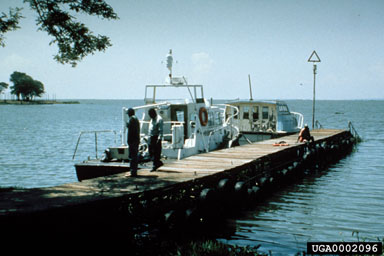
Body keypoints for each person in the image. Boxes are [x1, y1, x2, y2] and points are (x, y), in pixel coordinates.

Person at [126, 108, 140, 177]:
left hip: (132, 141)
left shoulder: (131, 119)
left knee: (132, 156)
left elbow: (130, 128)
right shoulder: (136, 119)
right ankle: (134, 171)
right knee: (135, 156)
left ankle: (132, 172)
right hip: (136, 140)